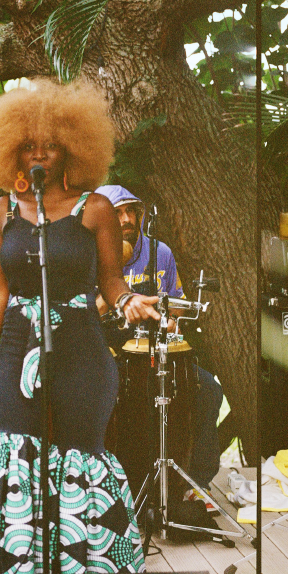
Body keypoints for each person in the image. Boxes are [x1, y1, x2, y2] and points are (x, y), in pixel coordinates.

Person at [0, 80, 162, 574]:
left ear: (72, 150)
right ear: (10, 151)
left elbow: (110, 280)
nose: (38, 155)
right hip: (17, 350)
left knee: (79, 456)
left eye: (50, 146)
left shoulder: (95, 210)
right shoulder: (2, 212)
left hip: (81, 352)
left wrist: (128, 301)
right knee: (13, 456)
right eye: (27, 147)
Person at [94, 184, 228, 526]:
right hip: (110, 352)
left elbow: (177, 303)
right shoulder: (90, 253)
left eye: (131, 211)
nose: (126, 219)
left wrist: (171, 318)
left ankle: (194, 484)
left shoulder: (159, 252)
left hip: (154, 353)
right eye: (117, 213)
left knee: (208, 390)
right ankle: (109, 488)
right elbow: (86, 313)